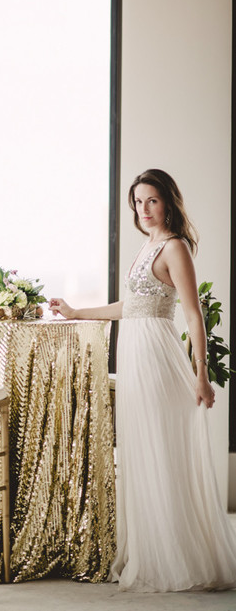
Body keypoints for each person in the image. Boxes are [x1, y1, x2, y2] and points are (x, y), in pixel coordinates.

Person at [49, 168, 236, 592]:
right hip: (134, 354)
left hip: (157, 358)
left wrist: (201, 375)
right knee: (143, 452)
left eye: (151, 200)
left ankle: (179, 559)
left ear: (168, 202)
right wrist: (76, 312)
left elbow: (193, 315)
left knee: (161, 453)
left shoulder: (174, 247)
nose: (143, 209)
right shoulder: (147, 245)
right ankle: (154, 551)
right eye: (137, 202)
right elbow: (129, 306)